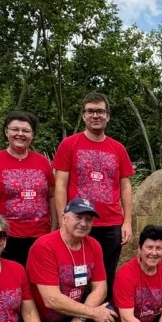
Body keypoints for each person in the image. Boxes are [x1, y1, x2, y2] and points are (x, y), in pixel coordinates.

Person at [26, 198, 118, 322]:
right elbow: (51, 299)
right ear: (64, 217)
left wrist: (79, 320)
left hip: (75, 309)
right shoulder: (44, 246)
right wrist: (91, 313)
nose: (83, 223)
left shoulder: (93, 245)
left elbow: (101, 288)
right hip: (46, 317)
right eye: (78, 217)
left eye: (88, 219)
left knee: (108, 313)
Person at [53, 92, 134, 297]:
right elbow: (60, 185)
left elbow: (125, 187)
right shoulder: (69, 144)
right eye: (90, 111)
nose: (95, 115)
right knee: (73, 272)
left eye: (100, 111)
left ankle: (104, 311)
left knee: (107, 273)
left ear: (108, 116)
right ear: (83, 116)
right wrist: (63, 219)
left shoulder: (118, 149)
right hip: (78, 221)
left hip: (110, 223)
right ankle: (72, 309)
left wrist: (127, 222)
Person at [0, 111, 56, 266]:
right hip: (8, 235)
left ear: (33, 134)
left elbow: (52, 195)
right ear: (6, 132)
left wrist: (55, 227)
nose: (20, 134)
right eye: (15, 129)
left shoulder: (42, 161)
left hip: (40, 234)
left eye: (26, 130)